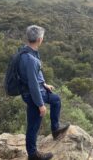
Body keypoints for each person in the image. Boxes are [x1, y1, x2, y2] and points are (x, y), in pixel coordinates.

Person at [18, 25, 70, 160]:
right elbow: (33, 84)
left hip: (38, 90)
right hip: (33, 94)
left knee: (56, 100)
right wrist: (41, 105)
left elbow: (34, 76)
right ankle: (33, 154)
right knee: (33, 125)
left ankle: (55, 129)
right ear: (40, 39)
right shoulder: (31, 59)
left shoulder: (26, 51)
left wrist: (44, 84)